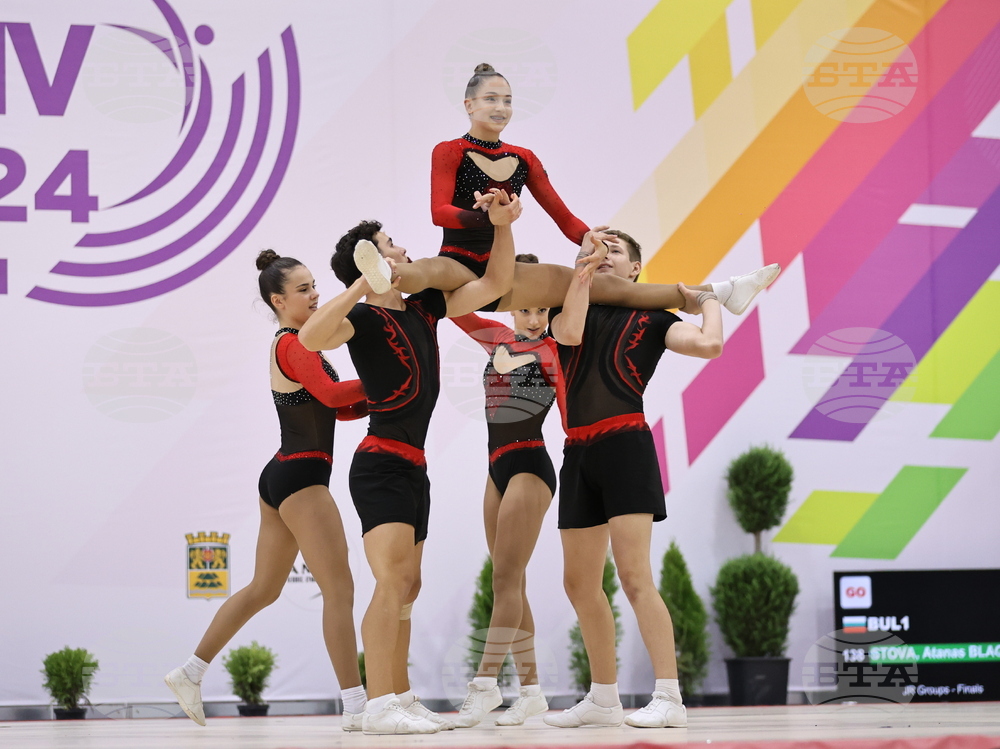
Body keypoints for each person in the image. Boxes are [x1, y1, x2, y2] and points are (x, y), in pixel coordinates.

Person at [298, 190, 522, 734]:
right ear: (371, 262)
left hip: (414, 465)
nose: (401, 249)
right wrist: (361, 283)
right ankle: (378, 707)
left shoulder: (427, 305)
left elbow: (494, 284)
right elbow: (309, 337)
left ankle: (398, 694)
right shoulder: (362, 320)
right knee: (391, 581)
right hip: (379, 463)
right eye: (388, 245)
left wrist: (502, 227)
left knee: (409, 585)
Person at [353, 62, 779, 317]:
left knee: (605, 288)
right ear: (469, 105)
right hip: (461, 261)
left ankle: (719, 294)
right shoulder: (449, 151)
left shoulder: (524, 157)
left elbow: (561, 213)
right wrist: (484, 216)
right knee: (430, 270)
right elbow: (439, 213)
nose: (501, 108)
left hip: (508, 277)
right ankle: (386, 274)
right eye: (491, 99)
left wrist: (586, 236)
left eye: (507, 100)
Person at [165, 251, 368, 731]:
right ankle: (357, 706)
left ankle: (190, 672)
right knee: (340, 591)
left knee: (264, 589)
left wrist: (384, 404)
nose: (315, 293)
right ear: (278, 300)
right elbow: (338, 396)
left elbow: (335, 411)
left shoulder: (306, 345)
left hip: (283, 475)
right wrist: (389, 383)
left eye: (315, 284)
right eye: (304, 289)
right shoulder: (293, 343)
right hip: (300, 478)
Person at [544, 229, 727, 729]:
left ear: (634, 271)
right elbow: (573, 335)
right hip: (578, 452)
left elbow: (709, 344)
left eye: (615, 251)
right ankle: (604, 697)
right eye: (593, 250)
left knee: (633, 575)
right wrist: (583, 269)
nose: (603, 256)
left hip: (626, 445)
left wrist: (708, 299)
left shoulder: (653, 319)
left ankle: (669, 697)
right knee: (578, 582)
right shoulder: (562, 310)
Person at [447, 245, 604, 727]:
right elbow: (451, 303)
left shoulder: (555, 352)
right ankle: (532, 692)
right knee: (509, 581)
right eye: (525, 307)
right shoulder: (495, 336)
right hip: (495, 467)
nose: (534, 318)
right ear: (508, 304)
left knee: (504, 580)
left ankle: (484, 685)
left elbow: (574, 416)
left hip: (531, 467)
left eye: (542, 309)